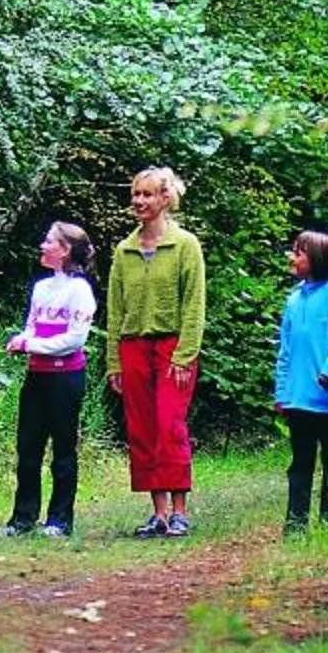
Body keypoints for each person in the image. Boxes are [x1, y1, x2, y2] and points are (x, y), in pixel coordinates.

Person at [104, 166, 206, 537]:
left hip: (172, 346)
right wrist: (114, 362)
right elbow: (115, 310)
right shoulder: (124, 250)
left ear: (165, 198)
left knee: (169, 426)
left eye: (147, 194)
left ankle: (180, 512)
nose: (139, 201)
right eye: (136, 194)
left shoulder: (185, 245)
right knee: (142, 429)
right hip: (132, 347)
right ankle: (158, 513)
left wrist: (185, 354)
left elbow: (194, 304)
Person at [2, 220, 97, 539]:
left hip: (65, 379)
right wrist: (21, 340)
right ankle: (22, 517)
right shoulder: (41, 287)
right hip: (37, 376)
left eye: (49, 241)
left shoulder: (80, 290)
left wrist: (32, 345)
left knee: (63, 449)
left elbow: (75, 339)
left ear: (65, 250)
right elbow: (32, 325)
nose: (42, 246)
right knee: (28, 446)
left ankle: (60, 519)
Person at [274, 227, 328, 530]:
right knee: (300, 463)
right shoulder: (294, 299)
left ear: (318, 259)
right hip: (298, 399)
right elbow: (285, 350)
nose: (292, 257)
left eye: (299, 253)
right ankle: (296, 524)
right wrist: (281, 392)